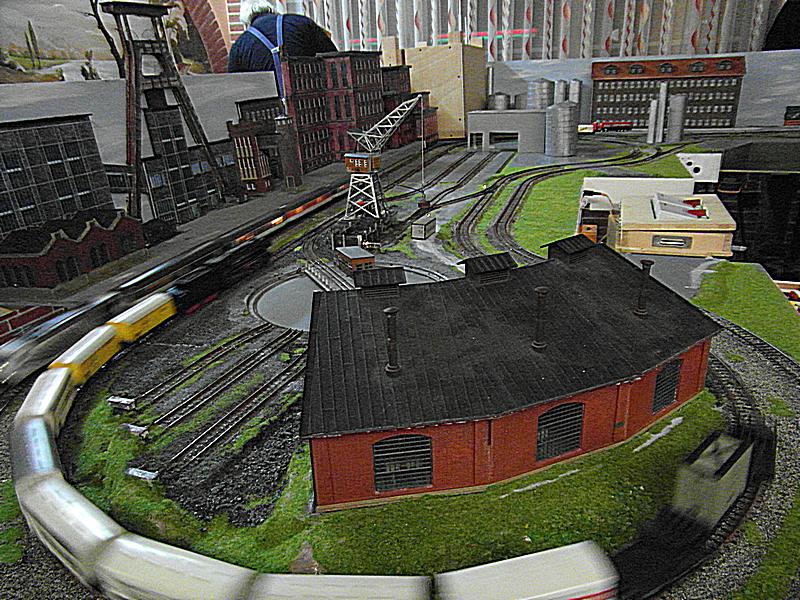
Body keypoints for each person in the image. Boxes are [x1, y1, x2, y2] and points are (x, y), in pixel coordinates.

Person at [227, 0, 337, 97]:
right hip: (313, 100)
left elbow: (235, 89)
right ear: (271, 10)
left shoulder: (240, 46)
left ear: (247, 22)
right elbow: (334, 59)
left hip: (270, 109)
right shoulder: (301, 22)